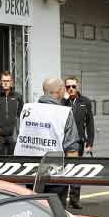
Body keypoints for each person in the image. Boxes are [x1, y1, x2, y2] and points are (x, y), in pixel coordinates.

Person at [14, 77, 79, 208]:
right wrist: (73, 180)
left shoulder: (27, 109)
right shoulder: (64, 113)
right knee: (56, 214)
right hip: (55, 175)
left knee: (34, 211)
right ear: (60, 91)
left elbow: (17, 137)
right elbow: (72, 149)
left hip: (30, 173)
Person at [63, 76, 95, 209]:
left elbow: (90, 123)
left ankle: (75, 199)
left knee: (76, 170)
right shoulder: (61, 102)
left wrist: (90, 142)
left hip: (79, 141)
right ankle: (62, 198)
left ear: (78, 87)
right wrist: (63, 101)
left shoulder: (85, 102)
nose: (71, 89)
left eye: (73, 86)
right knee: (63, 169)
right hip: (63, 142)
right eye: (68, 87)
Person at [0, 71, 24, 156]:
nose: (5, 83)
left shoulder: (18, 96)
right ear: (0, 82)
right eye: (3, 81)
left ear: (11, 82)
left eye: (7, 81)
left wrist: (19, 132)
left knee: (13, 159)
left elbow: (21, 116)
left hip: (13, 134)